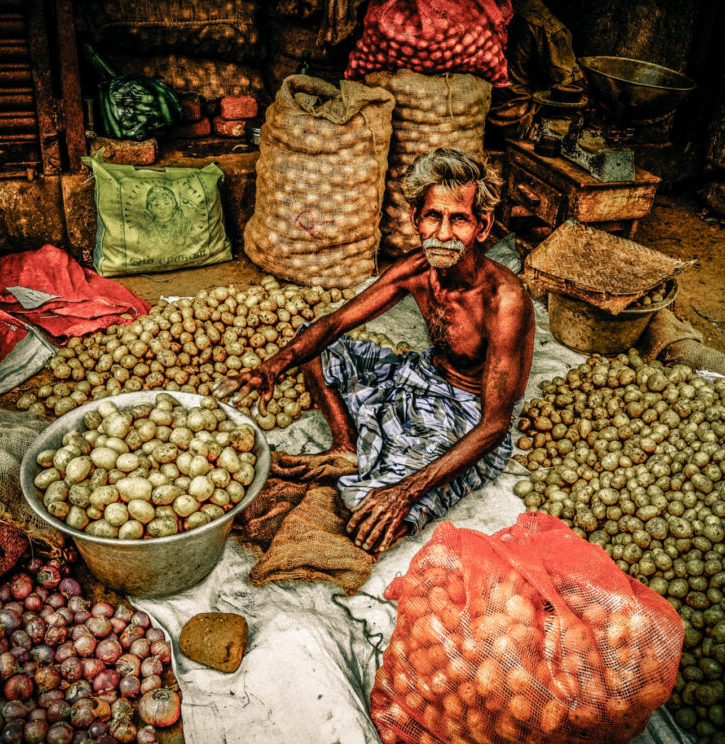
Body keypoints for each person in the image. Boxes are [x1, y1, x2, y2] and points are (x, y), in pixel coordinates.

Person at [232, 149, 535, 555]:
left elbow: (495, 424)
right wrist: (272, 366)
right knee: (314, 345)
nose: (442, 233)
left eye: (458, 219)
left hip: (468, 412)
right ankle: (346, 446)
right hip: (421, 374)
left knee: (376, 515)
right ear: (415, 219)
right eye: (433, 216)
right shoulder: (416, 269)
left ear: (482, 227)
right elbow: (335, 323)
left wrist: (406, 490)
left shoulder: (504, 300)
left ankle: (384, 475)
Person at [488, 0, 584, 140]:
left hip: (488, 113)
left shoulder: (501, 7)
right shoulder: (545, 23)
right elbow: (571, 87)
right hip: (515, 119)